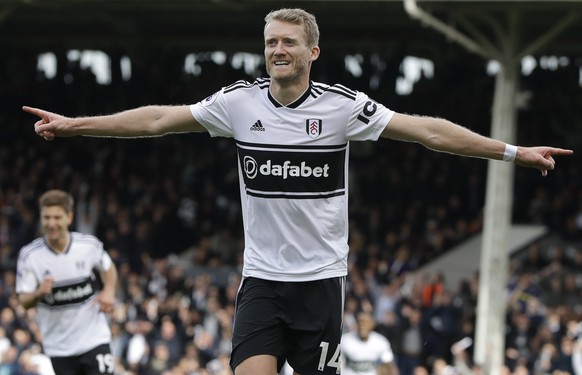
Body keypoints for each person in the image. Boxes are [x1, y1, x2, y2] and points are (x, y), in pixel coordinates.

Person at [22, 8, 573, 375]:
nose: (276, 50)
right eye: (270, 42)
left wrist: (512, 152)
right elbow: (157, 121)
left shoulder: (341, 107)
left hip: (320, 286)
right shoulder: (239, 103)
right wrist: (75, 124)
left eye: (288, 42)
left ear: (313, 51)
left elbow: (428, 130)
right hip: (262, 281)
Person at [15, 189, 118, 375]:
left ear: (69, 217)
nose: (51, 223)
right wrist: (38, 293)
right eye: (46, 218)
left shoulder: (88, 246)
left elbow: (108, 267)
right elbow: (24, 300)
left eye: (57, 217)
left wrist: (110, 290)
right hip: (59, 347)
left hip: (94, 339)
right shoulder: (30, 256)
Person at [341, 311, 399, 375]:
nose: (363, 325)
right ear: (356, 324)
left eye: (366, 322)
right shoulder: (345, 340)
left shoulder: (381, 342)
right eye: (360, 322)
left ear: (372, 325)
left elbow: (390, 365)